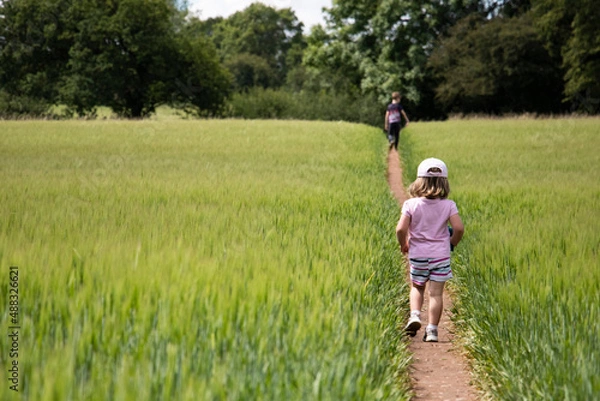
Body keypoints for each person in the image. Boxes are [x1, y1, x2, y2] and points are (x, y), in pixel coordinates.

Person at [395, 158, 464, 342]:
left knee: (417, 287)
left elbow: (400, 229)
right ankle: (432, 330)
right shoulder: (449, 205)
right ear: (444, 182)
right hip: (440, 255)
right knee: (436, 293)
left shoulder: (411, 204)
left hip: (418, 254)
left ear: (419, 181)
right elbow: (459, 228)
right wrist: (452, 243)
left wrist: (404, 244)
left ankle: (415, 315)